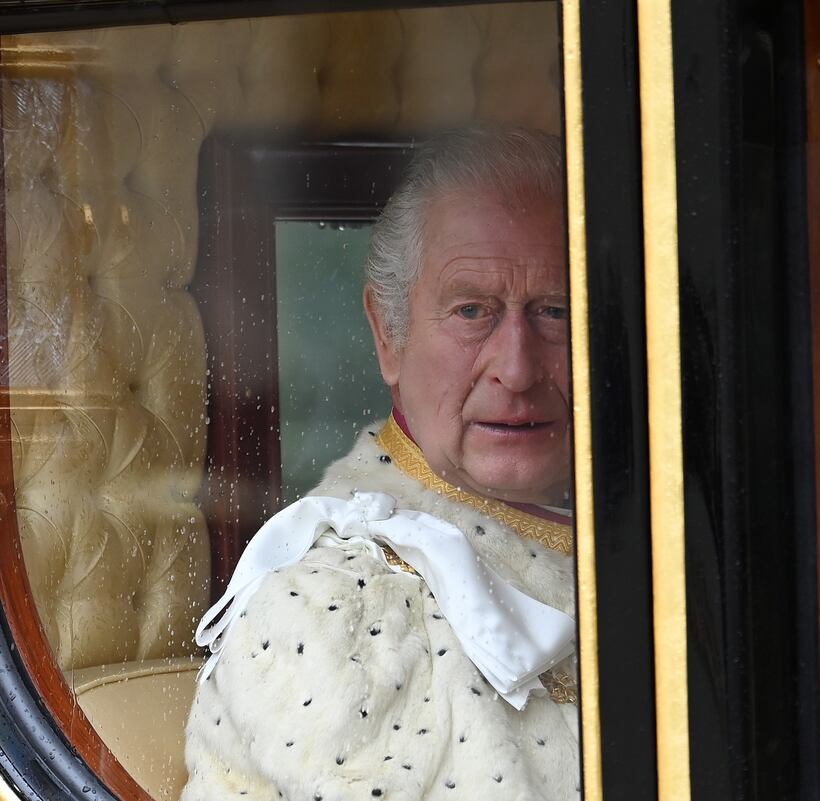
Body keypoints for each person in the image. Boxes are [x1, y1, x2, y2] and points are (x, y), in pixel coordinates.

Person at [182, 128, 579, 801]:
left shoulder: (673, 537)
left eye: (555, 310)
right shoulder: (337, 616)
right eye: (473, 310)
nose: (517, 367)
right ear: (388, 333)